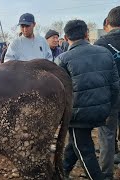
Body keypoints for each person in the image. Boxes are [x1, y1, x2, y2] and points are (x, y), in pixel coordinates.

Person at [56, 19, 119, 180]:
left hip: (78, 115)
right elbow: (115, 86)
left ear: (66, 37)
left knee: (84, 149)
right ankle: (61, 172)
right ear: (86, 34)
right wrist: (108, 107)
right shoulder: (104, 52)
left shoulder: (63, 59)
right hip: (103, 110)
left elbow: (60, 93)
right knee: (75, 143)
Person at [94, 6, 120, 179]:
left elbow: (96, 75)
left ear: (108, 23)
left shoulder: (100, 45)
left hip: (110, 97)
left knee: (107, 135)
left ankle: (106, 174)